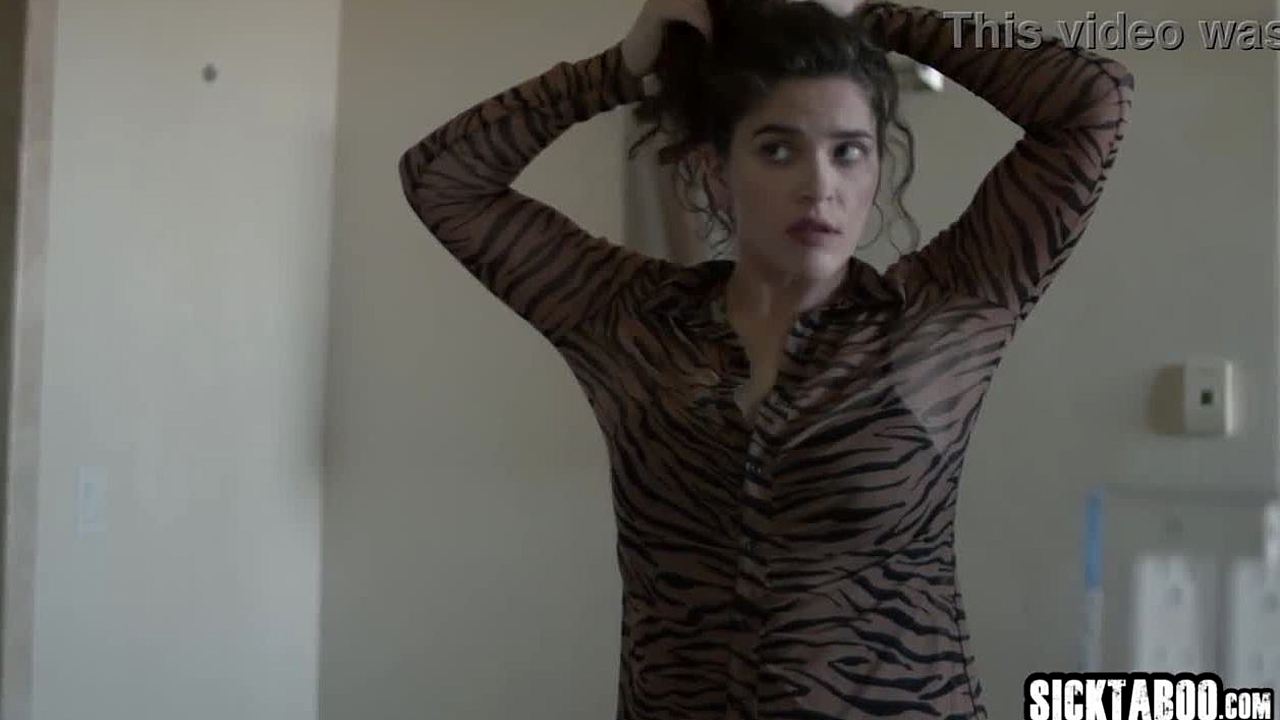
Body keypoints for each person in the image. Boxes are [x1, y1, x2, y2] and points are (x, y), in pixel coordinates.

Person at [398, 0, 1134, 717]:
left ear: (877, 169)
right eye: (778, 149)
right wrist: (617, 71)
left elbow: (1092, 101)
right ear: (717, 171)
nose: (820, 186)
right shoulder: (632, 319)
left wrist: (877, 16)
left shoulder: (942, 317)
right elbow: (442, 180)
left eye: (849, 151)